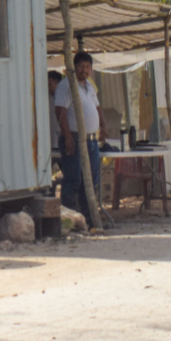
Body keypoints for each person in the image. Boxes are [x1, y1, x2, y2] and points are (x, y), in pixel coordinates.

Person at [53, 51, 107, 219]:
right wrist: (67, 136)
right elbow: (59, 110)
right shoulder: (67, 85)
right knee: (73, 181)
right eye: (80, 66)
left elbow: (97, 108)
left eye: (87, 67)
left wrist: (103, 126)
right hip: (74, 139)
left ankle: (88, 220)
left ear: (91, 68)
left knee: (90, 182)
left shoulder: (89, 86)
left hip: (91, 141)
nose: (84, 70)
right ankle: (69, 220)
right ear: (74, 67)